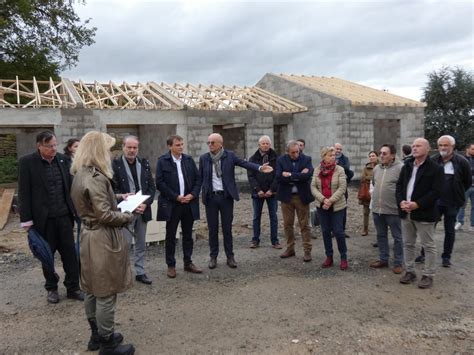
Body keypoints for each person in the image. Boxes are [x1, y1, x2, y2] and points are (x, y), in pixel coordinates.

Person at [70, 131, 135, 354]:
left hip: (88, 236)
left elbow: (94, 202)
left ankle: (96, 335)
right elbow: (106, 216)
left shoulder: (81, 174)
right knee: (105, 290)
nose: (109, 153)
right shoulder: (96, 178)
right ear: (98, 150)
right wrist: (129, 215)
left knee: (91, 287)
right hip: (102, 238)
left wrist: (118, 197)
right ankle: (107, 343)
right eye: (106, 149)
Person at [18, 130, 83, 304]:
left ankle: (73, 287)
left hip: (64, 217)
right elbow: (24, 192)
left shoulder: (63, 160)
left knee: (70, 254)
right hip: (43, 220)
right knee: (47, 255)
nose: (53, 149)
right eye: (49, 146)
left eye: (55, 145)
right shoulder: (27, 163)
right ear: (39, 146)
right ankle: (51, 288)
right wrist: (27, 220)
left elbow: (70, 187)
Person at [199, 133, 273, 269]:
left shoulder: (229, 156)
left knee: (227, 228)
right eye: (208, 142)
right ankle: (213, 256)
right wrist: (196, 194)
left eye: (213, 143)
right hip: (211, 198)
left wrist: (259, 167)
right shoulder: (204, 158)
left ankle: (230, 256)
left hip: (226, 197)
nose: (210, 145)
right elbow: (200, 178)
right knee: (212, 229)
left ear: (220, 144)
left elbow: (244, 163)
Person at [415, 135, 471, 267]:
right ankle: (424, 254)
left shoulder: (462, 162)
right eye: (440, 145)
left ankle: (446, 257)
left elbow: (467, 182)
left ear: (453, 147)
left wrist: (458, 194)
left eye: (446, 145)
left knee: (449, 230)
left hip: (452, 203)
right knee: (428, 229)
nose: (443, 148)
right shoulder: (434, 160)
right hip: (435, 203)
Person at [396, 138, 444, 289]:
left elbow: (436, 192)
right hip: (406, 212)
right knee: (408, 243)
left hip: (425, 213)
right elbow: (399, 187)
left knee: (428, 245)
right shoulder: (407, 165)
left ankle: (428, 275)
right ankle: (410, 271)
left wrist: (418, 204)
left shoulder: (435, 168)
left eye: (418, 146)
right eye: (413, 146)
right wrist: (401, 201)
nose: (414, 148)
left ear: (428, 149)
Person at [156, 135, 203, 278]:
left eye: (182, 144)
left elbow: (197, 179)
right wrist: (175, 196)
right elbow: (160, 183)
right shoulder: (162, 161)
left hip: (188, 204)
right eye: (177, 145)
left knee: (188, 234)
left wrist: (192, 195)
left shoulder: (188, 160)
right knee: (170, 235)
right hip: (172, 204)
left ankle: (188, 262)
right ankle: (171, 265)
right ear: (169, 146)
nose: (181, 147)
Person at [112, 136, 156, 285]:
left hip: (142, 210)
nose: (132, 150)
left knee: (141, 243)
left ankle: (140, 272)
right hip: (125, 212)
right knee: (124, 245)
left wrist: (145, 203)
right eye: (129, 147)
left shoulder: (144, 163)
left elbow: (151, 187)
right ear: (123, 147)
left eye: (134, 148)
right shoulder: (115, 165)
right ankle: (123, 274)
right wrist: (130, 203)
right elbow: (113, 189)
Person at [276, 140, 315, 262]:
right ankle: (290, 248)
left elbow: (307, 175)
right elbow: (278, 177)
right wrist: (298, 175)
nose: (296, 154)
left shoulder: (306, 159)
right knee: (288, 224)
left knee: (304, 225)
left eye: (297, 152)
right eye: (293, 153)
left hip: (301, 196)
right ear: (287, 152)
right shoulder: (281, 160)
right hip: (286, 197)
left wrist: (290, 175)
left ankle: (307, 250)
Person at [311, 146, 348, 270]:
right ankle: (329, 256)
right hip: (322, 205)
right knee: (325, 231)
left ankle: (343, 257)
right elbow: (313, 187)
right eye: (330, 155)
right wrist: (323, 200)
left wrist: (330, 200)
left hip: (337, 206)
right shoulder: (317, 170)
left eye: (334, 156)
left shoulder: (340, 170)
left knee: (338, 231)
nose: (333, 157)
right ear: (323, 157)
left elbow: (342, 188)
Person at [369, 144, 404, 274]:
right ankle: (383, 259)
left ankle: (398, 262)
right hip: (377, 210)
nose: (381, 156)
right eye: (380, 153)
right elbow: (374, 184)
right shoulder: (377, 168)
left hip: (393, 210)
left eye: (385, 153)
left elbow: (404, 188)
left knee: (398, 237)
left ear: (393, 155)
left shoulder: (401, 168)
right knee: (381, 236)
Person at [247, 135, 280, 249]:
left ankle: (275, 241)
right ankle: (255, 240)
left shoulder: (276, 158)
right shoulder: (253, 159)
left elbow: (278, 175)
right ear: (259, 145)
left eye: (267, 143)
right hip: (258, 193)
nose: (265, 145)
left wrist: (271, 190)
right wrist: (258, 190)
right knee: (256, 217)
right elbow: (251, 176)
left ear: (270, 145)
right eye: (263, 143)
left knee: (273, 217)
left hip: (272, 193)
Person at [334, 142, 353, 237]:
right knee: (332, 209)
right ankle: (333, 230)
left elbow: (347, 168)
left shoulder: (345, 159)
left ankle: (342, 230)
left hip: (342, 188)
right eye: (337, 149)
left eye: (340, 149)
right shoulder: (329, 157)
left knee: (343, 209)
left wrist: (336, 166)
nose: (338, 151)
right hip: (331, 189)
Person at [359, 150, 378, 236]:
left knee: (377, 213)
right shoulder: (366, 168)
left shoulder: (381, 166)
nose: (371, 157)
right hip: (367, 192)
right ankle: (365, 229)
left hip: (377, 192)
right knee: (366, 212)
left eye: (373, 156)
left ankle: (379, 231)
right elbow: (362, 178)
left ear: (377, 157)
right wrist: (373, 177)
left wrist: (369, 177)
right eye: (370, 156)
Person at [455, 143, 474, 232]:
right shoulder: (462, 160)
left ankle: (472, 225)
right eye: (473, 149)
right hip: (465, 186)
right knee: (461, 205)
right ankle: (460, 222)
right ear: (467, 149)